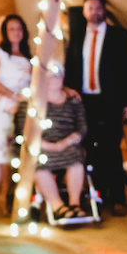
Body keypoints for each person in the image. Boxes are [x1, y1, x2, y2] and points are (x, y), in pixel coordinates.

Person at [64, 0, 127, 216]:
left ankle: (118, 199)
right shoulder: (76, 37)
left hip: (111, 100)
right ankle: (95, 196)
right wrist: (69, 92)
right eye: (89, 8)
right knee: (89, 149)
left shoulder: (120, 36)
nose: (94, 12)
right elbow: (70, 67)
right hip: (85, 101)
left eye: (98, 8)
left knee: (112, 148)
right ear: (84, 12)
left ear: (104, 10)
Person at [14, 65, 89, 220]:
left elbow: (82, 127)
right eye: (51, 76)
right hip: (42, 145)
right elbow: (24, 130)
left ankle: (75, 204)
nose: (55, 79)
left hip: (67, 144)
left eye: (58, 76)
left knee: (76, 154)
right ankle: (57, 206)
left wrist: (66, 142)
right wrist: (48, 145)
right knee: (38, 160)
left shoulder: (72, 100)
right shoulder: (32, 101)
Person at [0, 14, 33, 220]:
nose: (16, 32)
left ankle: (6, 197)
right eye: (11, 29)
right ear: (4, 32)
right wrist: (13, 95)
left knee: (13, 155)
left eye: (19, 28)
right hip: (1, 107)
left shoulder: (27, 55)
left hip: (21, 110)